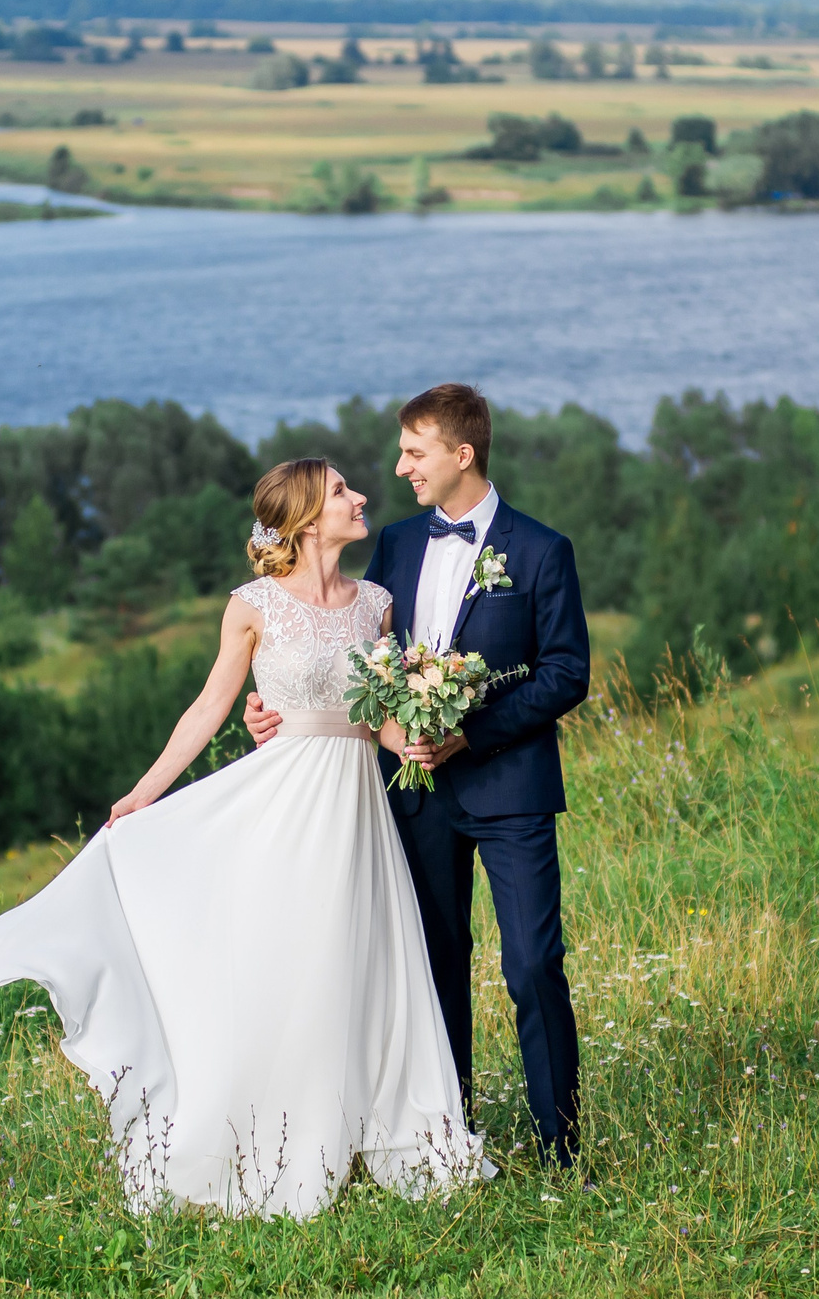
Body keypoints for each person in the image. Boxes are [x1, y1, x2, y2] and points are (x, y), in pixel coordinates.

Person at [0, 459, 486, 1219]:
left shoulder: (376, 605)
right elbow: (209, 705)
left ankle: (359, 1133)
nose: (360, 498)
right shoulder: (252, 605)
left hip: (357, 810)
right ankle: (275, 1139)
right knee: (290, 963)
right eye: (340, 492)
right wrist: (143, 792)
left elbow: (373, 717)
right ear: (302, 518)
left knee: (357, 965)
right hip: (283, 806)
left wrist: (419, 741)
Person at [246, 385, 591, 1169]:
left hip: (511, 790)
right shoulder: (397, 545)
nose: (400, 467)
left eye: (414, 452)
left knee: (533, 964)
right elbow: (350, 646)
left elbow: (568, 671)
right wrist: (271, 707)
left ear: (460, 455)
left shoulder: (542, 550)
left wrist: (470, 731)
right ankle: (447, 1139)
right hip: (412, 795)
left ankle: (563, 1149)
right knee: (433, 964)